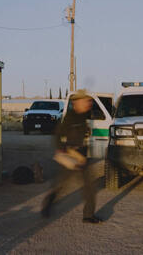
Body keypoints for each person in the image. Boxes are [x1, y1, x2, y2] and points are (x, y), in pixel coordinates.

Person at [41, 90, 102, 224]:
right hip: (70, 156)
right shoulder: (69, 118)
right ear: (76, 103)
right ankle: (47, 205)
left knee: (90, 187)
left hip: (82, 157)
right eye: (86, 101)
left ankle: (88, 216)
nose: (88, 103)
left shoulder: (85, 116)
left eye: (89, 101)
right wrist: (63, 151)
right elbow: (57, 136)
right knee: (60, 184)